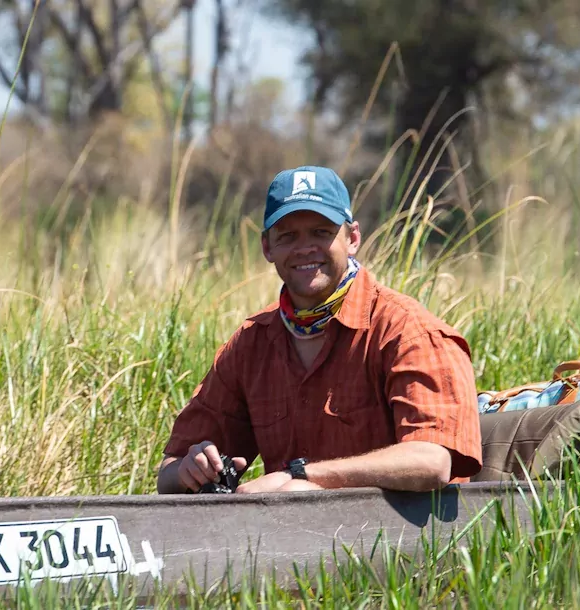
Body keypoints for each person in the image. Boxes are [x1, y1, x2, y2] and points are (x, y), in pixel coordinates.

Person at [156, 165, 483, 495]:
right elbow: (168, 473)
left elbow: (432, 461)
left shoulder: (408, 330)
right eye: (287, 236)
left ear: (352, 238)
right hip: (292, 541)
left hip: (406, 543)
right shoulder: (251, 343)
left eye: (321, 232)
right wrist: (190, 469)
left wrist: (304, 479)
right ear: (267, 247)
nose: (304, 248)